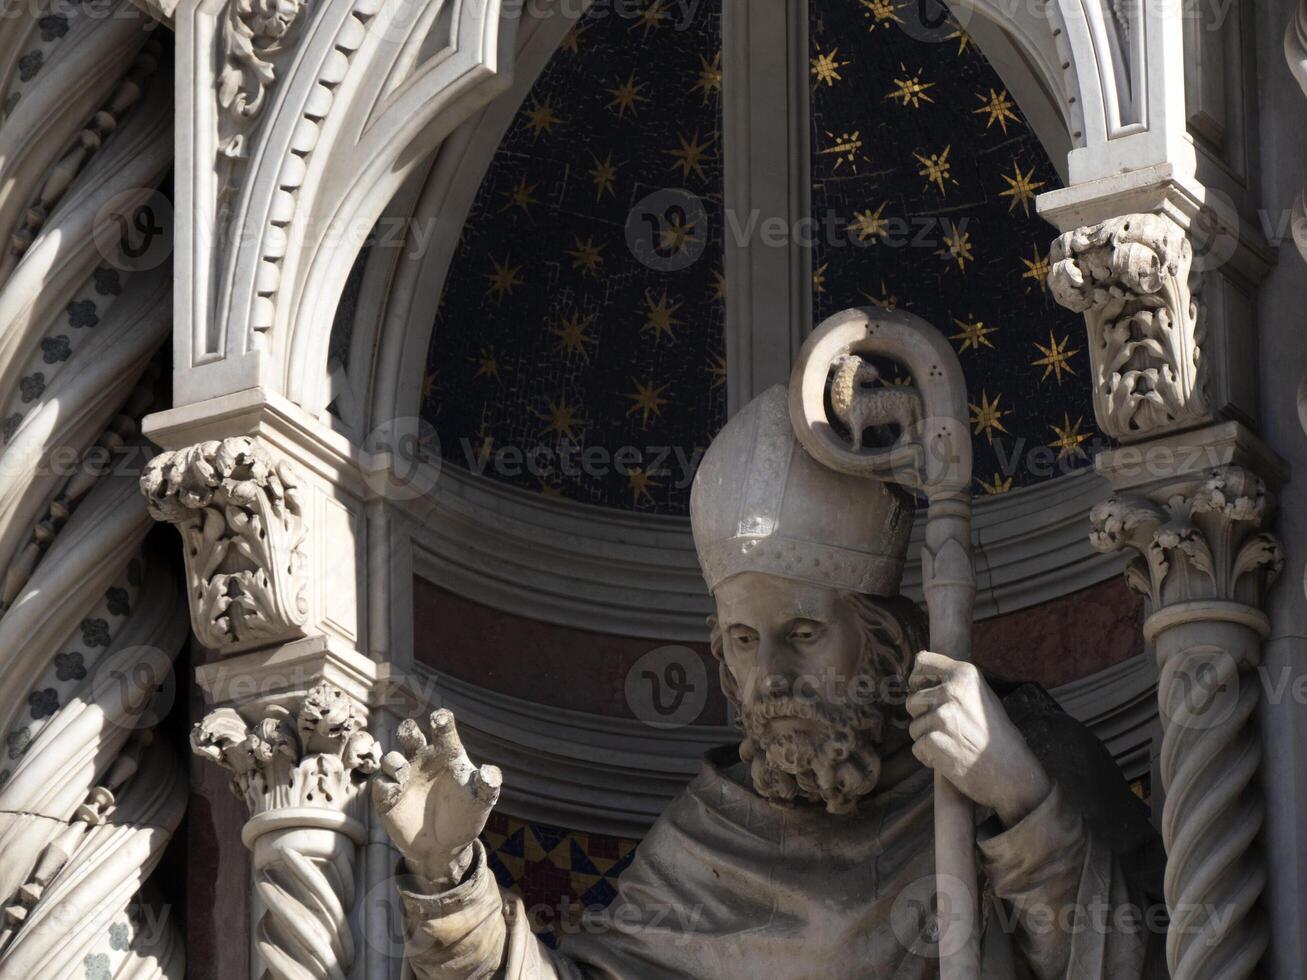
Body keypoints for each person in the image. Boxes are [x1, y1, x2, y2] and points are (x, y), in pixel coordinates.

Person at [373, 385, 1166, 979]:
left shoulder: (1015, 756)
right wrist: (450, 886)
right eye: (745, 642)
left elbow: (1137, 963)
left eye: (804, 633)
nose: (773, 676)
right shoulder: (706, 838)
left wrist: (1020, 799)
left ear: (886, 641)